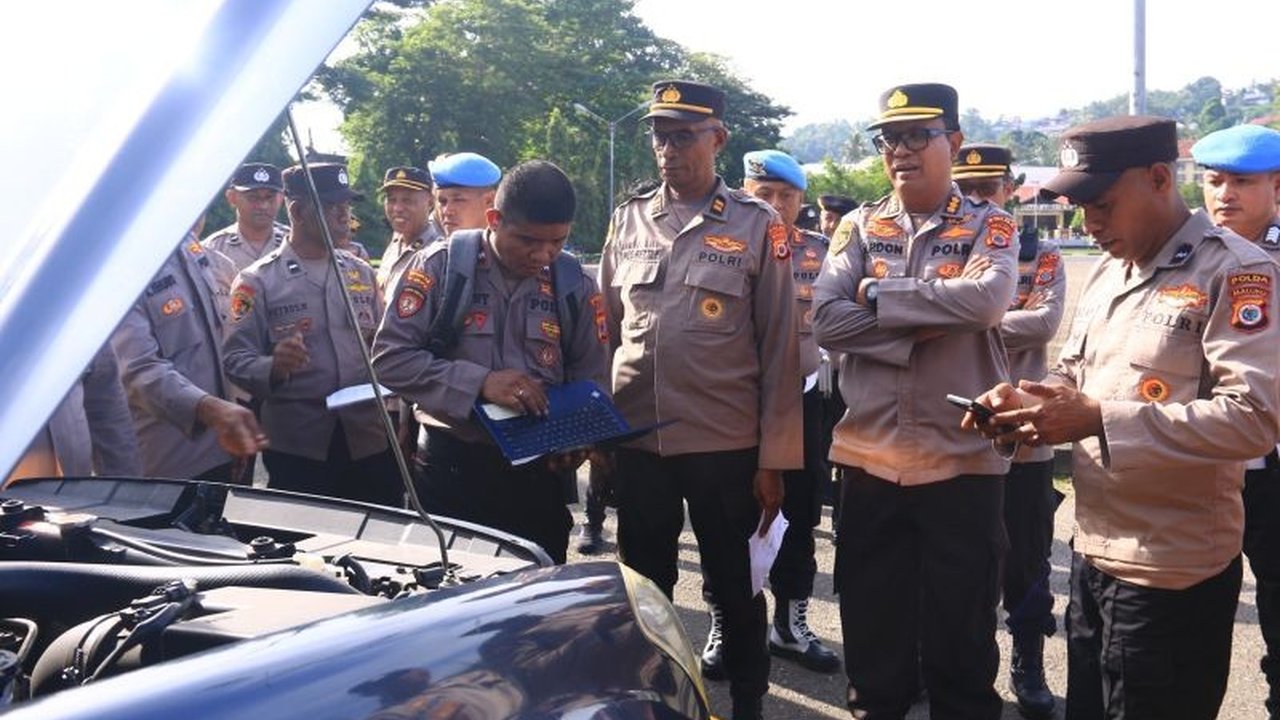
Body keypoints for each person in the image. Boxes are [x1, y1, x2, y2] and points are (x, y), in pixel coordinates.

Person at [973, 116, 1280, 720]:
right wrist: (1025, 400)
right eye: (1081, 208)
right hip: (1094, 557)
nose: (1091, 224)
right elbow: (1074, 375)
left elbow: (1254, 418)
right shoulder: (1112, 271)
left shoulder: (1237, 271)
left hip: (1174, 574)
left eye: (1104, 205)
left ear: (1161, 179)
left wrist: (1098, 420)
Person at [811, 82, 1017, 719]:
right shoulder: (857, 226)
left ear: (951, 142)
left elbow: (987, 301)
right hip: (871, 461)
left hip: (960, 460)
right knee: (874, 630)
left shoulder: (993, 223)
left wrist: (878, 296)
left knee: (962, 636)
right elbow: (824, 320)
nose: (899, 150)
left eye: (915, 136)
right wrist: (917, 324)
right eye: (888, 139)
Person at [599, 79, 803, 720]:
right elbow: (605, 330)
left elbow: (779, 349)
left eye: (684, 134)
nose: (668, 147)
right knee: (644, 587)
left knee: (738, 588)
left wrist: (773, 459)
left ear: (718, 138)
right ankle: (655, 697)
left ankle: (748, 699)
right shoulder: (627, 218)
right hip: (639, 441)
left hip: (725, 445)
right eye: (660, 133)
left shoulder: (757, 225)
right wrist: (600, 439)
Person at [372, 160, 608, 565]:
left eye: (557, 241)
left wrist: (577, 437)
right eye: (530, 241)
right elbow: (390, 359)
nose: (544, 254)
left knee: (532, 604)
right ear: (495, 219)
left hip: (537, 478)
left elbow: (591, 377)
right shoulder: (440, 267)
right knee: (450, 602)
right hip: (451, 471)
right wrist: (478, 382)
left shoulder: (575, 284)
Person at [955, 143, 1066, 718]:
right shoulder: (940, 249)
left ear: (1008, 188)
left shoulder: (1041, 253)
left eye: (988, 188)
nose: (976, 199)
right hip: (960, 432)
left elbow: (1044, 321)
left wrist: (961, 311)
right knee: (961, 561)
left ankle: (1028, 660)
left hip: (1026, 434)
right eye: (966, 189)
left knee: (1027, 562)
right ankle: (967, 667)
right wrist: (969, 306)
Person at [223, 163, 401, 506]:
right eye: (333, 208)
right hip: (301, 448)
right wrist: (273, 366)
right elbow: (235, 359)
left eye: (346, 208)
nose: (343, 217)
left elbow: (385, 349)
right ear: (298, 210)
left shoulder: (361, 272)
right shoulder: (256, 281)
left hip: (369, 440)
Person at [734, 148, 840, 674]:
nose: (776, 206)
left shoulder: (823, 251)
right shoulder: (724, 243)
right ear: (743, 191)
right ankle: (724, 622)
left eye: (787, 197)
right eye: (765, 195)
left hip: (801, 404)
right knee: (731, 515)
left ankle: (791, 624)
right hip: (734, 402)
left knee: (797, 514)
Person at [1191, 122, 1280, 717]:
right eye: (1214, 179)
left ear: (1276, 185)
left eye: (1242, 181)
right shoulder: (1185, 253)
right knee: (1191, 605)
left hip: (1272, 466)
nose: (1225, 193)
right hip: (1199, 457)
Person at [112, 231, 266, 482]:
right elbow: (137, 370)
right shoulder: (121, 263)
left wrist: (230, 414)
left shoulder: (187, 243)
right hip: (168, 462)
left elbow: (217, 341)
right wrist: (213, 410)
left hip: (222, 445)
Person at [9, 344, 143, 482]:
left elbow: (110, 421)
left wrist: (126, 489)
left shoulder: (78, 331)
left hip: (73, 493)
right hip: (12, 495)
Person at [202, 162, 289, 272]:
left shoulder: (295, 245)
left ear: (281, 199)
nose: (263, 206)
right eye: (253, 198)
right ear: (232, 198)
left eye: (270, 198)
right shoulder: (212, 249)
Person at [376, 165, 444, 300]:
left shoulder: (439, 252)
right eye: (391, 200)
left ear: (431, 202)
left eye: (407, 200)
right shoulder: (396, 244)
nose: (398, 208)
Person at [429, 152, 501, 238]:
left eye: (458, 200)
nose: (447, 211)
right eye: (442, 202)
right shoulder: (435, 250)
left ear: (489, 200)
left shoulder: (511, 249)